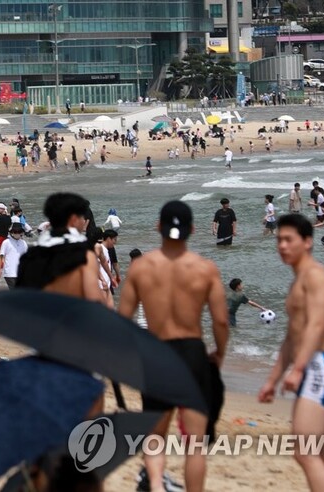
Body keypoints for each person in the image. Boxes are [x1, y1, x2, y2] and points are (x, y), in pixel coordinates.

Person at [118, 200, 229, 492]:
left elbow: (123, 320)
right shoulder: (205, 269)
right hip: (192, 354)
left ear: (158, 226)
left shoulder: (142, 268)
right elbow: (220, 321)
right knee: (195, 442)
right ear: (192, 229)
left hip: (156, 354)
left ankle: (155, 485)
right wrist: (219, 352)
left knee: (155, 434)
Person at [258, 214, 324, 491]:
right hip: (311, 368)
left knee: (305, 450)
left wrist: (298, 370)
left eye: (288, 240)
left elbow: (317, 325)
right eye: (279, 240)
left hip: (317, 367)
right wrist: (273, 380)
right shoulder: (298, 281)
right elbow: (291, 338)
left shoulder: (316, 276)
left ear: (307, 242)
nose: (282, 246)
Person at [0, 223, 28, 289]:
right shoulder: (6, 242)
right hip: (9, 272)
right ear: (12, 232)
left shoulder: (23, 243)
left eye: (19, 232)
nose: (17, 233)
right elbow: (1, 256)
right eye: (15, 232)